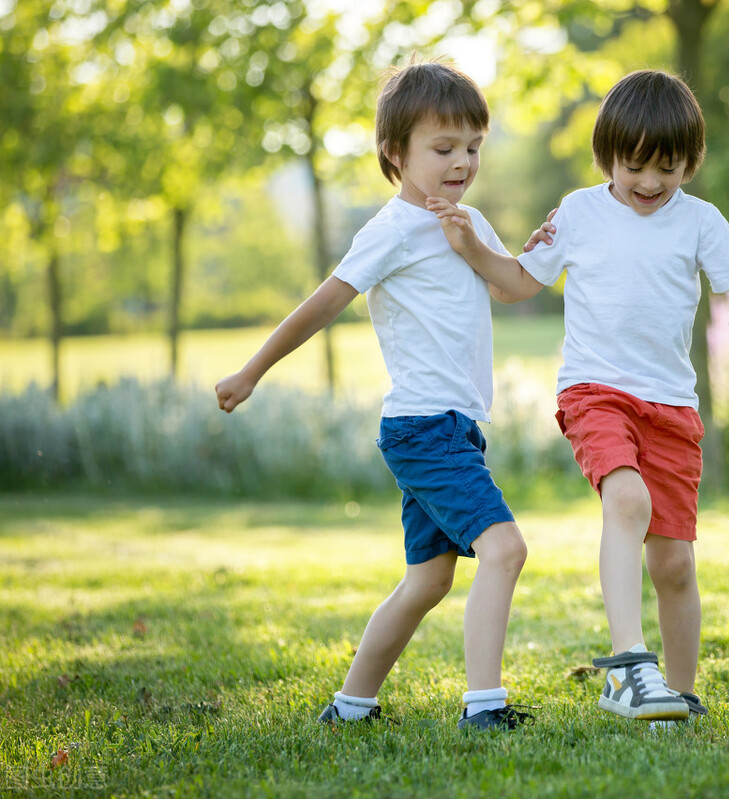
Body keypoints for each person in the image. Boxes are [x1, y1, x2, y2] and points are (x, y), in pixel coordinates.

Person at [428, 68, 729, 723]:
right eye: (634, 164)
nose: (648, 182)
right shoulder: (580, 211)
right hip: (595, 393)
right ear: (606, 155)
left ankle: (679, 691)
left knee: (672, 562)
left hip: (672, 407)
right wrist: (471, 243)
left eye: (667, 168)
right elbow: (516, 284)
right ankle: (627, 666)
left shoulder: (701, 221)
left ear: (690, 163)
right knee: (627, 496)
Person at [214, 60, 533, 732]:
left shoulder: (467, 220)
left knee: (429, 580)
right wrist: (252, 370)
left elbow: (514, 286)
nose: (462, 162)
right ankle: (484, 707)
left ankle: (351, 706)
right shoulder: (389, 230)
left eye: (473, 147)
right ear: (396, 152)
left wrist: (480, 243)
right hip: (424, 428)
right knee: (504, 548)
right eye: (443, 149)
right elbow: (323, 303)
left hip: (457, 428)